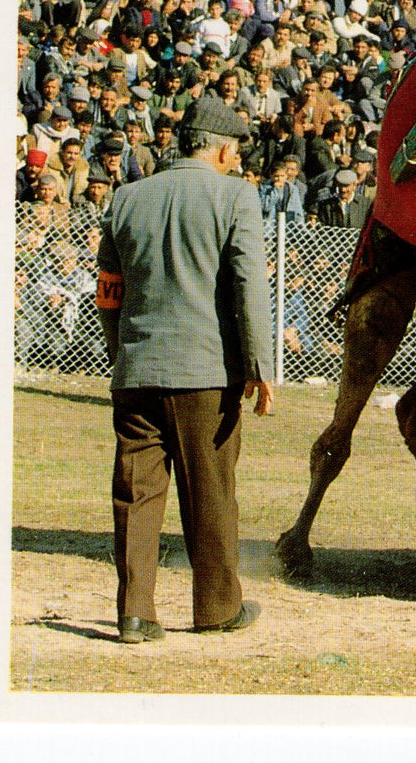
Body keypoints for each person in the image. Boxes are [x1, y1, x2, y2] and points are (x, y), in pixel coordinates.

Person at [95, 96, 273, 643]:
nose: (237, 160)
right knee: (211, 493)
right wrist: (260, 366)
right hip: (206, 375)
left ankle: (134, 612)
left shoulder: (126, 198)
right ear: (220, 150)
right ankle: (217, 608)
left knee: (136, 494)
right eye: (236, 151)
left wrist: (122, 352)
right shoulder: (236, 196)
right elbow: (248, 286)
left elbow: (109, 291)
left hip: (136, 370)